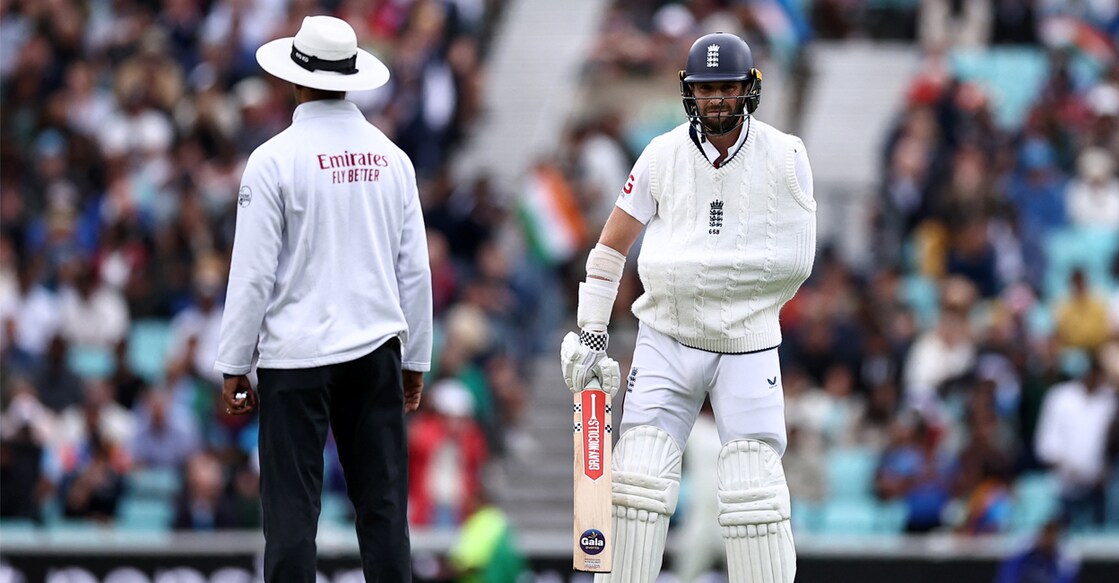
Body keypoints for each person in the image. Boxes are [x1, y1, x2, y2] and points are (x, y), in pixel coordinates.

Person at [560, 32, 816, 583]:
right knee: (637, 487)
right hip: (666, 336)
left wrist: (715, 283)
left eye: (727, 88)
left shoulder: (786, 154)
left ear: (750, 89)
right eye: (706, 89)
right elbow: (610, 247)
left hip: (746, 341)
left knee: (754, 494)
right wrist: (593, 334)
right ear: (688, 92)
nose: (717, 100)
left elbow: (796, 262)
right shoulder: (662, 153)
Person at [213, 15, 432, 583]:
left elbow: (253, 274)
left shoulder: (273, 160)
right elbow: (415, 269)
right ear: (350, 77)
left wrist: (235, 364)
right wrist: (416, 360)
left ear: (296, 80)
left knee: (291, 518)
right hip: (375, 349)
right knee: (384, 513)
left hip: (297, 356)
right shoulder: (393, 159)